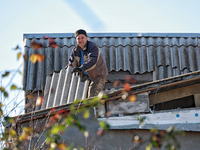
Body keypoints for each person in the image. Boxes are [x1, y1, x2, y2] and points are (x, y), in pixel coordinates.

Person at [67, 29, 108, 98]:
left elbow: (92, 61)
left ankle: (95, 108)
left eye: (82, 38)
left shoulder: (93, 47)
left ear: (86, 38)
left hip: (98, 75)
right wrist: (68, 70)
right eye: (78, 38)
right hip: (85, 75)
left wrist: (81, 68)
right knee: (80, 95)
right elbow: (71, 63)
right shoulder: (75, 50)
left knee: (92, 95)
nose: (81, 40)